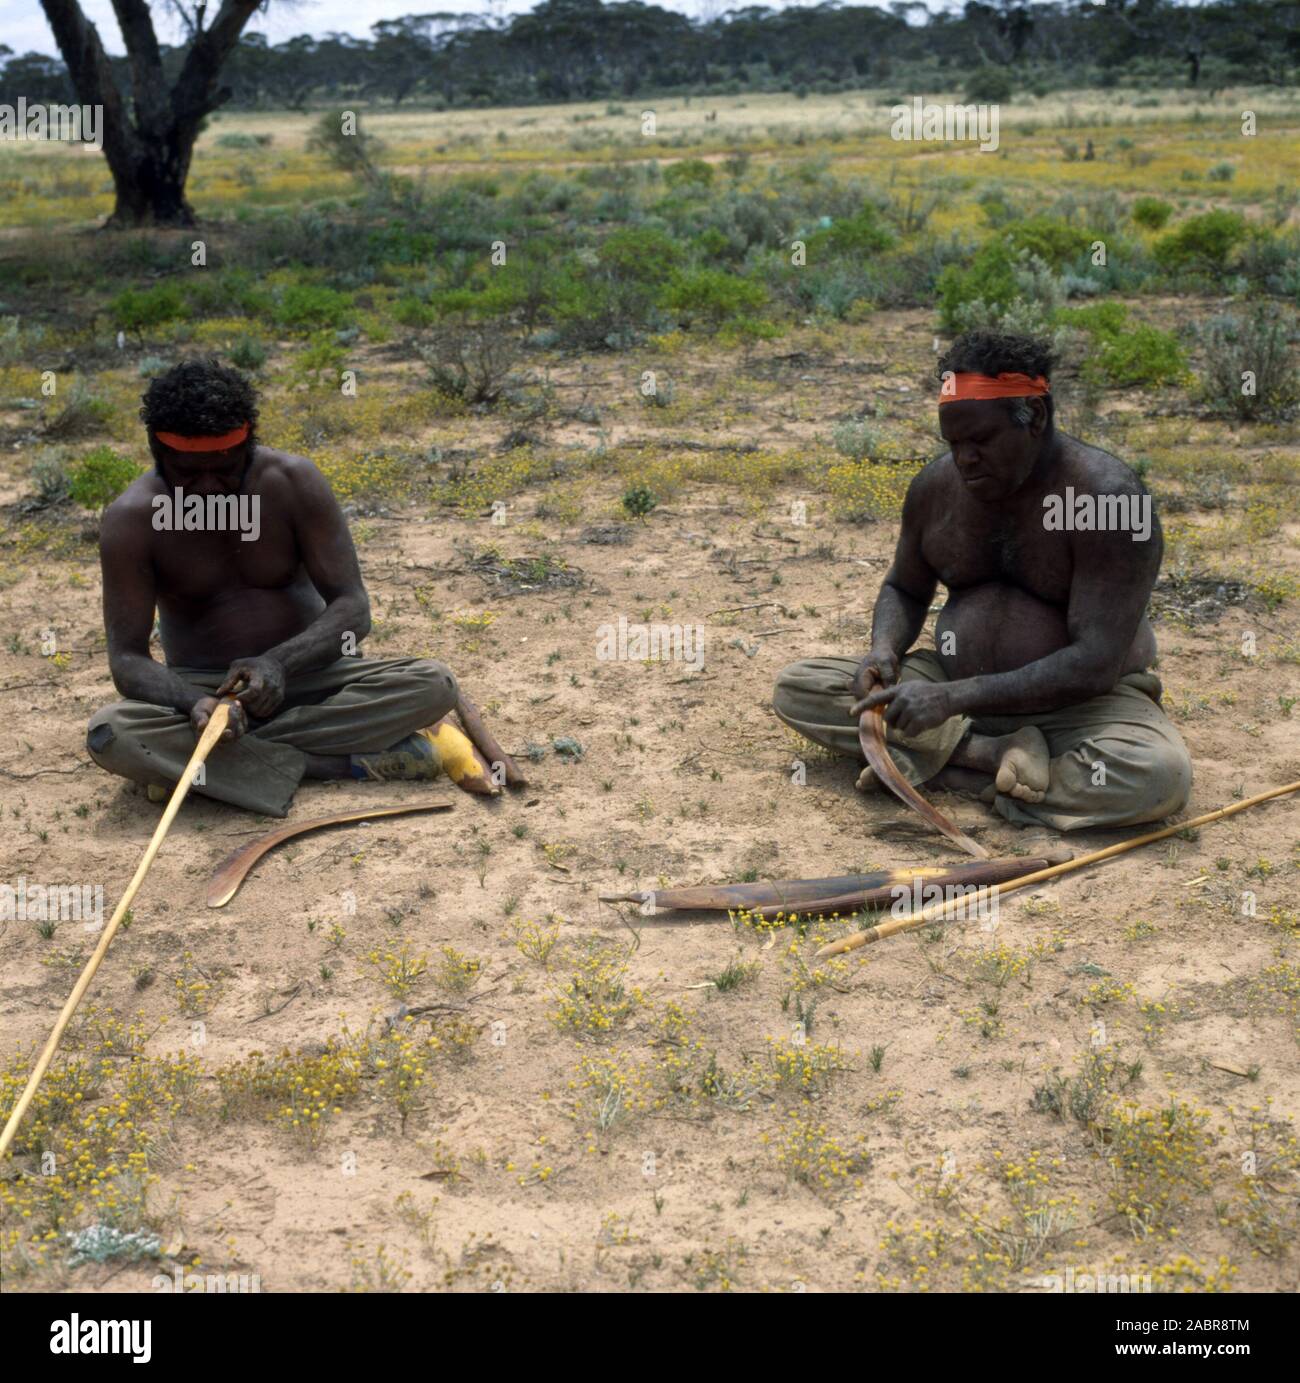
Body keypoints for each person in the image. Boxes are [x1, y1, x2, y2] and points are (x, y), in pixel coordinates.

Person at [772, 329, 1192, 833]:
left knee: (1157, 775)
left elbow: (1094, 664)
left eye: (981, 441)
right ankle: (994, 758)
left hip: (1077, 707)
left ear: (1034, 418)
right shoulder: (936, 488)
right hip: (948, 687)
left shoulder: (1107, 501)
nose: (965, 459)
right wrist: (884, 649)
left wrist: (954, 701)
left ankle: (944, 769)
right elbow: (904, 588)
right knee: (801, 685)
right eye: (953, 443)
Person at [86, 358, 463, 816]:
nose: (208, 489)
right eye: (187, 473)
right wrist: (198, 704)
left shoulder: (293, 483)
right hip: (205, 691)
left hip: (314, 677)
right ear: (157, 455)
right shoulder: (132, 520)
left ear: (248, 447)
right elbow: (127, 660)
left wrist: (278, 663)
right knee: (111, 733)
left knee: (432, 682)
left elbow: (352, 609)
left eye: (225, 469)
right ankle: (331, 764)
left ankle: (203, 767)